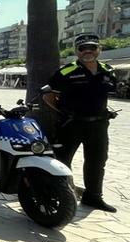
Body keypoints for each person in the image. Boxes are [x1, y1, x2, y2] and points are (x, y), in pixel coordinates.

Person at [43, 34, 117, 213]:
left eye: (92, 47)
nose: (88, 51)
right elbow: (48, 96)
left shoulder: (108, 70)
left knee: (97, 161)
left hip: (98, 126)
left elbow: (105, 95)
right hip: (71, 124)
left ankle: (93, 197)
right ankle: (58, 194)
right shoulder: (66, 71)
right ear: (77, 51)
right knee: (61, 161)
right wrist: (63, 113)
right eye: (83, 48)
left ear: (99, 49)